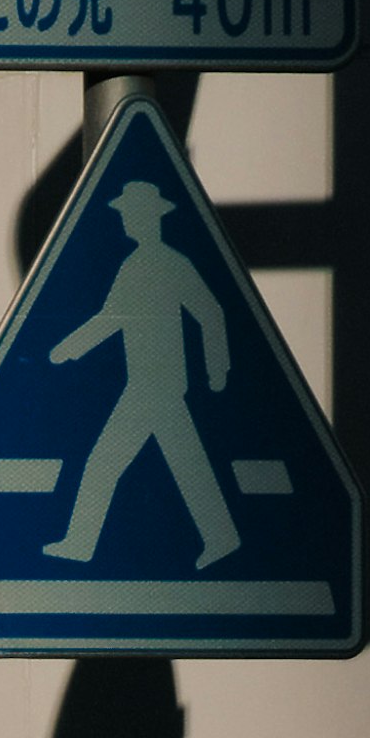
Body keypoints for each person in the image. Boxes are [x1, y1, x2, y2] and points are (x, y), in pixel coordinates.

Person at [48, 182, 237, 567]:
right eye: (124, 214)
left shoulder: (169, 263)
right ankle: (222, 536)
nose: (125, 221)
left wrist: (217, 369)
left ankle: (80, 544)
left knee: (105, 463)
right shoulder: (134, 265)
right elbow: (113, 318)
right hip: (148, 385)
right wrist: (71, 347)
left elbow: (210, 312)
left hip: (157, 386)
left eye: (131, 214)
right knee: (182, 463)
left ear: (150, 217)